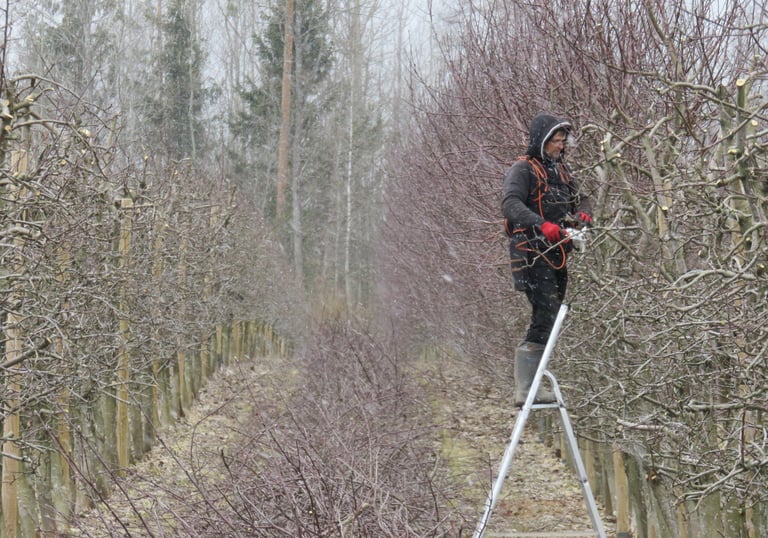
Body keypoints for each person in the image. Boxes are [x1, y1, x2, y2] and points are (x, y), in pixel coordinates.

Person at [501, 112, 592, 406]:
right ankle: (526, 388)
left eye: (563, 141)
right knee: (546, 312)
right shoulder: (523, 169)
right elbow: (510, 204)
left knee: (552, 319)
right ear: (542, 140)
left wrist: (584, 215)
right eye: (555, 141)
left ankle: (533, 383)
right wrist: (542, 225)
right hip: (530, 253)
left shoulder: (562, 172)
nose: (561, 146)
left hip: (558, 253)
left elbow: (584, 198)